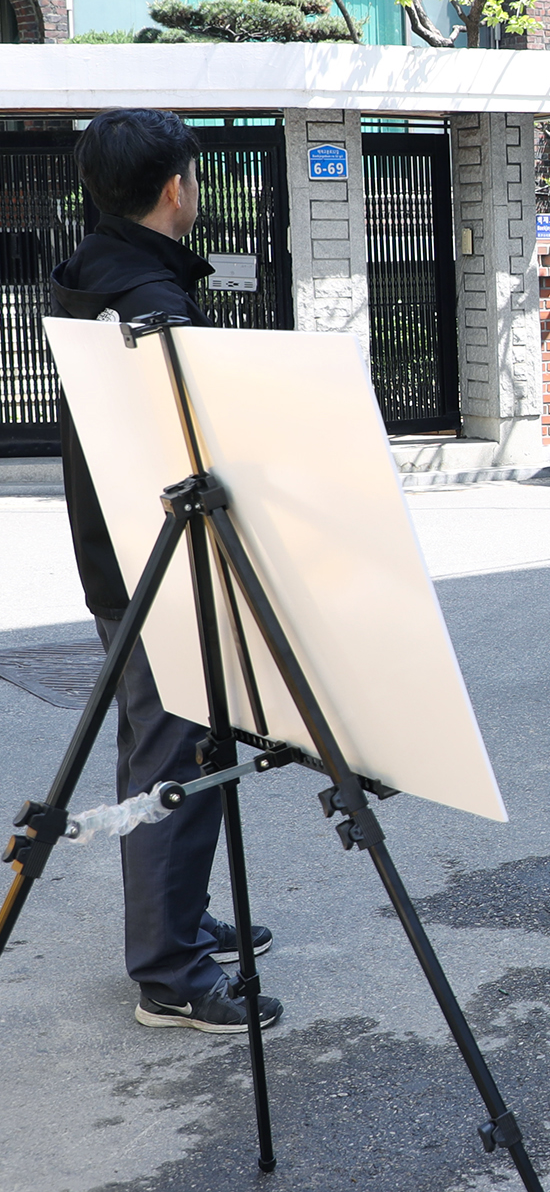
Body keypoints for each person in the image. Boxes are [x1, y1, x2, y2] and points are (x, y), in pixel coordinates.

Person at [46, 108, 281, 1033]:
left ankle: (174, 921)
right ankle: (170, 973)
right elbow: (184, 444)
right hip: (157, 560)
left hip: (117, 552)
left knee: (164, 743)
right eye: (195, 173)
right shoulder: (148, 297)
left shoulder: (93, 270)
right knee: (176, 750)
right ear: (176, 186)